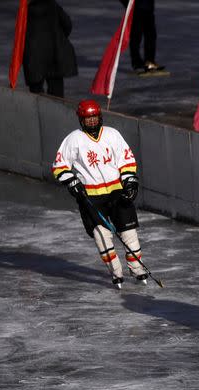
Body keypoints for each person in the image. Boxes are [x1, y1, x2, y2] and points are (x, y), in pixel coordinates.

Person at [51, 100, 147, 289]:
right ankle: (116, 273)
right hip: (91, 198)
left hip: (117, 193)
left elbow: (126, 160)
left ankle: (138, 269)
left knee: (129, 233)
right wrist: (72, 181)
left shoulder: (113, 135)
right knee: (102, 237)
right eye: (88, 119)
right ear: (81, 120)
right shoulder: (74, 139)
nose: (93, 122)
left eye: (95, 117)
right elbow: (59, 165)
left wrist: (129, 182)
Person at [23, 0, 78, 98]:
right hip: (55, 55)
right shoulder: (53, 6)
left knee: (35, 96)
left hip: (34, 58)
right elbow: (67, 24)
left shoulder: (26, 11)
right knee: (57, 95)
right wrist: (59, 37)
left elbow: (21, 36)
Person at [119, 0, 165, 75]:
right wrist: (129, 5)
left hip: (148, 8)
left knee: (151, 35)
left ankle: (150, 62)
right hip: (136, 10)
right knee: (136, 36)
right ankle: (137, 64)